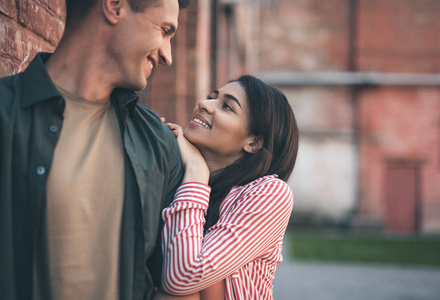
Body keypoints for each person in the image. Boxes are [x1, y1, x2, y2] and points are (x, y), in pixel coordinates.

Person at [0, 0, 189, 299]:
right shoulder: (5, 114)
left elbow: (180, 284)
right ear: (114, 6)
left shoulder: (159, 142)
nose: (167, 55)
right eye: (164, 30)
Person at [159, 75, 299, 299]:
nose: (204, 104)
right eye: (211, 98)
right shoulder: (177, 172)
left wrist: (197, 171)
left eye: (227, 106)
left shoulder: (271, 192)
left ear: (254, 143)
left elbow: (183, 277)